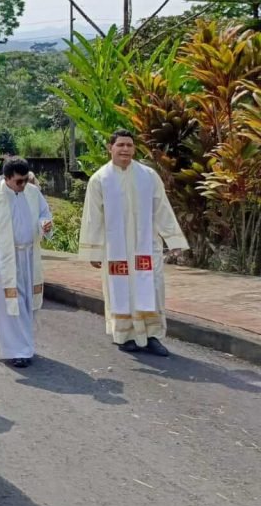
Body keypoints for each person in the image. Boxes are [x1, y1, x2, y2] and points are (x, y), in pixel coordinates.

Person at [79, 129, 189, 356]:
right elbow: (93, 216)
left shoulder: (148, 176)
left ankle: (152, 336)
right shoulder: (100, 179)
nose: (125, 149)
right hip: (116, 249)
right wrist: (94, 251)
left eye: (129, 145)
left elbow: (162, 208)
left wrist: (173, 239)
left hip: (146, 247)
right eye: (120, 145)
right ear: (110, 148)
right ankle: (124, 335)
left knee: (152, 288)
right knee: (121, 291)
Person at [0, 158, 53, 368]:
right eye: (19, 181)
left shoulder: (33, 192)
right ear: (7, 178)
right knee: (12, 306)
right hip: (5, 260)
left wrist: (45, 225)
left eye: (26, 180)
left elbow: (44, 214)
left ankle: (26, 345)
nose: (23, 185)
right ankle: (18, 350)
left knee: (28, 303)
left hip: (29, 256)